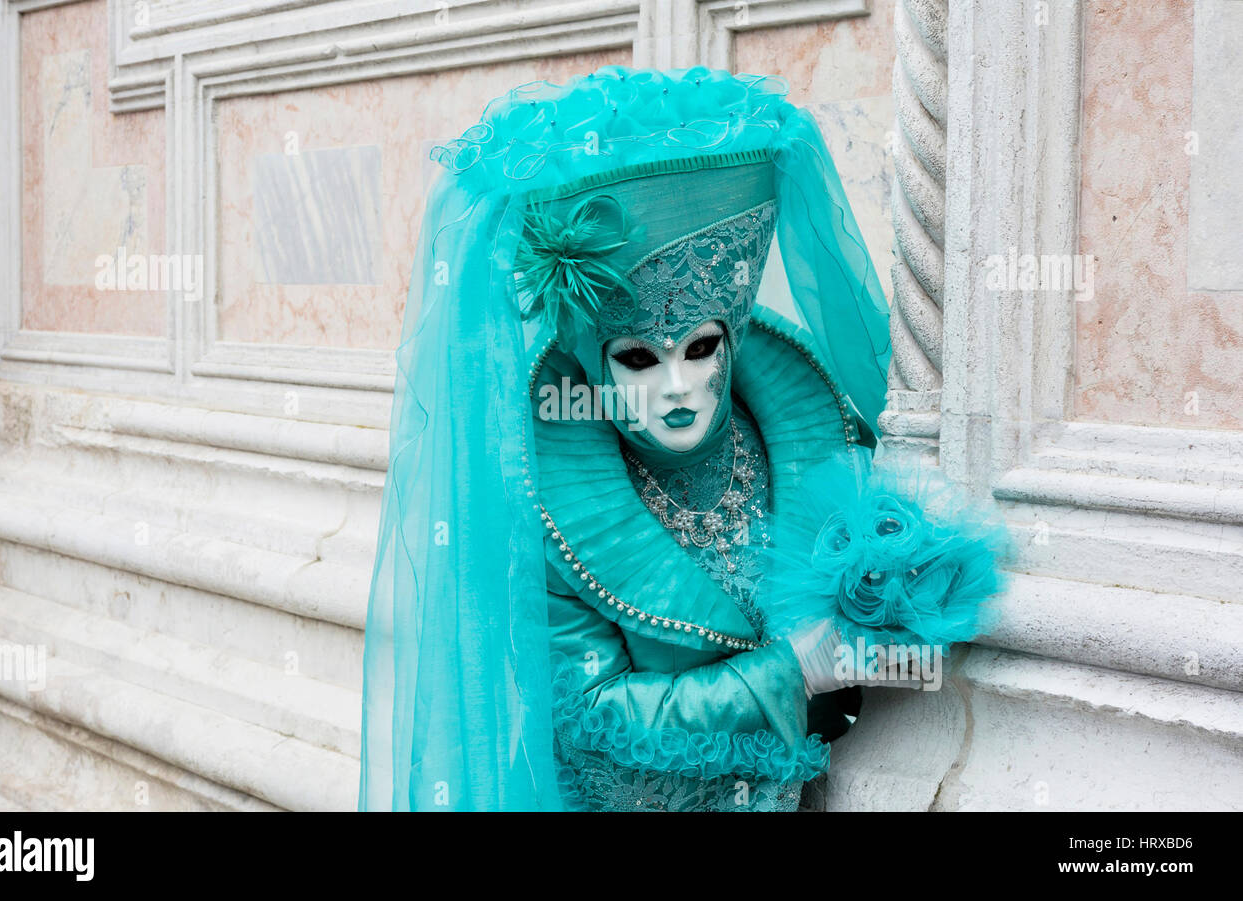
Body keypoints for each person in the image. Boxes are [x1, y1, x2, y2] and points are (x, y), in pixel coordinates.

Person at [358, 66, 990, 812]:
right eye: (636, 359)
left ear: (733, 337)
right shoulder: (549, 499)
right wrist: (787, 672)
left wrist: (904, 621)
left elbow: (912, 647)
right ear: (592, 360)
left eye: (698, 350)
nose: (677, 389)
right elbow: (592, 717)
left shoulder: (805, 438)